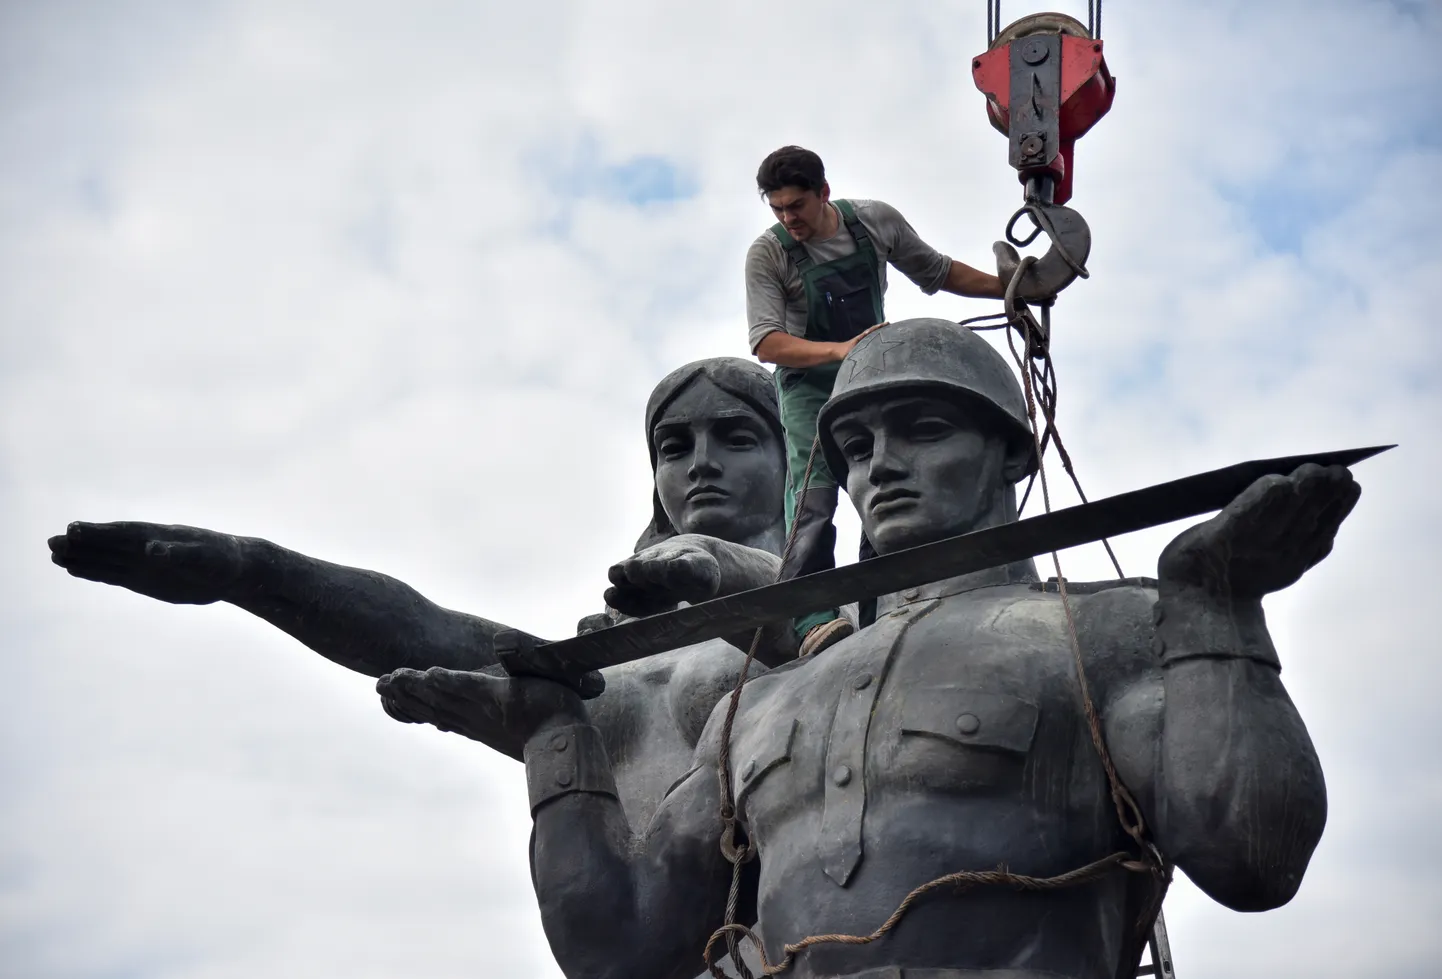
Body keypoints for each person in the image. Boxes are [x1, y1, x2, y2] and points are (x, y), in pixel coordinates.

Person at [380, 318, 1354, 979]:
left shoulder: (1107, 631)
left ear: (1011, 451)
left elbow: (1250, 856)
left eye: (921, 429)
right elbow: (622, 947)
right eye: (854, 445)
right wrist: (557, 737)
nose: (881, 464)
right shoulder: (760, 704)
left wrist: (1215, 609)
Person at [48, 357, 796, 838]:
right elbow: (423, 629)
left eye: (735, 438)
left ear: (792, 457)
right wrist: (253, 572)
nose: (701, 465)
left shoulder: (852, 605)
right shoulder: (607, 657)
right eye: (674, 447)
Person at [745, 145, 1009, 657]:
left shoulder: (873, 222)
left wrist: (1011, 289)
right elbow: (766, 343)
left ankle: (876, 609)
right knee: (813, 498)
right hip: (808, 387)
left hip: (864, 379)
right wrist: (840, 350)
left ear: (824, 193)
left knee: (880, 491)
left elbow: (939, 272)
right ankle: (814, 616)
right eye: (777, 208)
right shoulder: (770, 253)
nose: (787, 218)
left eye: (796, 205)